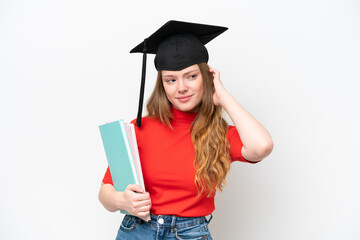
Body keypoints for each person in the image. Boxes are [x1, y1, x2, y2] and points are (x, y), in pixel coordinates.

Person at [98, 20, 273, 240]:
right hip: (136, 231)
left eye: (191, 76)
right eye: (171, 80)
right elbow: (105, 191)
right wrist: (120, 201)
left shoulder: (220, 133)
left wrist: (224, 98)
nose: (181, 87)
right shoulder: (139, 128)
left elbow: (262, 146)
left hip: (190, 234)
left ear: (206, 77)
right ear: (162, 85)